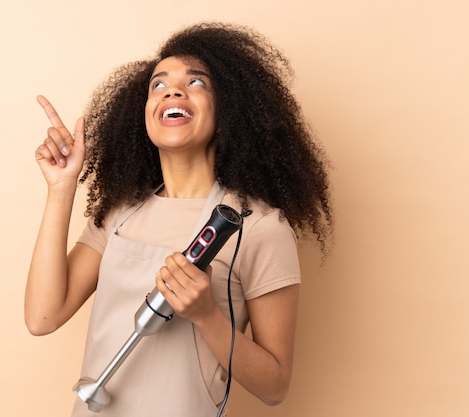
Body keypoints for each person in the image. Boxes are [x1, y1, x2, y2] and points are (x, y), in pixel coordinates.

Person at [25, 22, 333, 417]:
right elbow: (42, 317)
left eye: (197, 83)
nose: (172, 91)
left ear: (227, 114)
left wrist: (205, 314)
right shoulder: (120, 212)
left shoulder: (257, 227)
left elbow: (275, 386)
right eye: (158, 84)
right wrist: (61, 188)